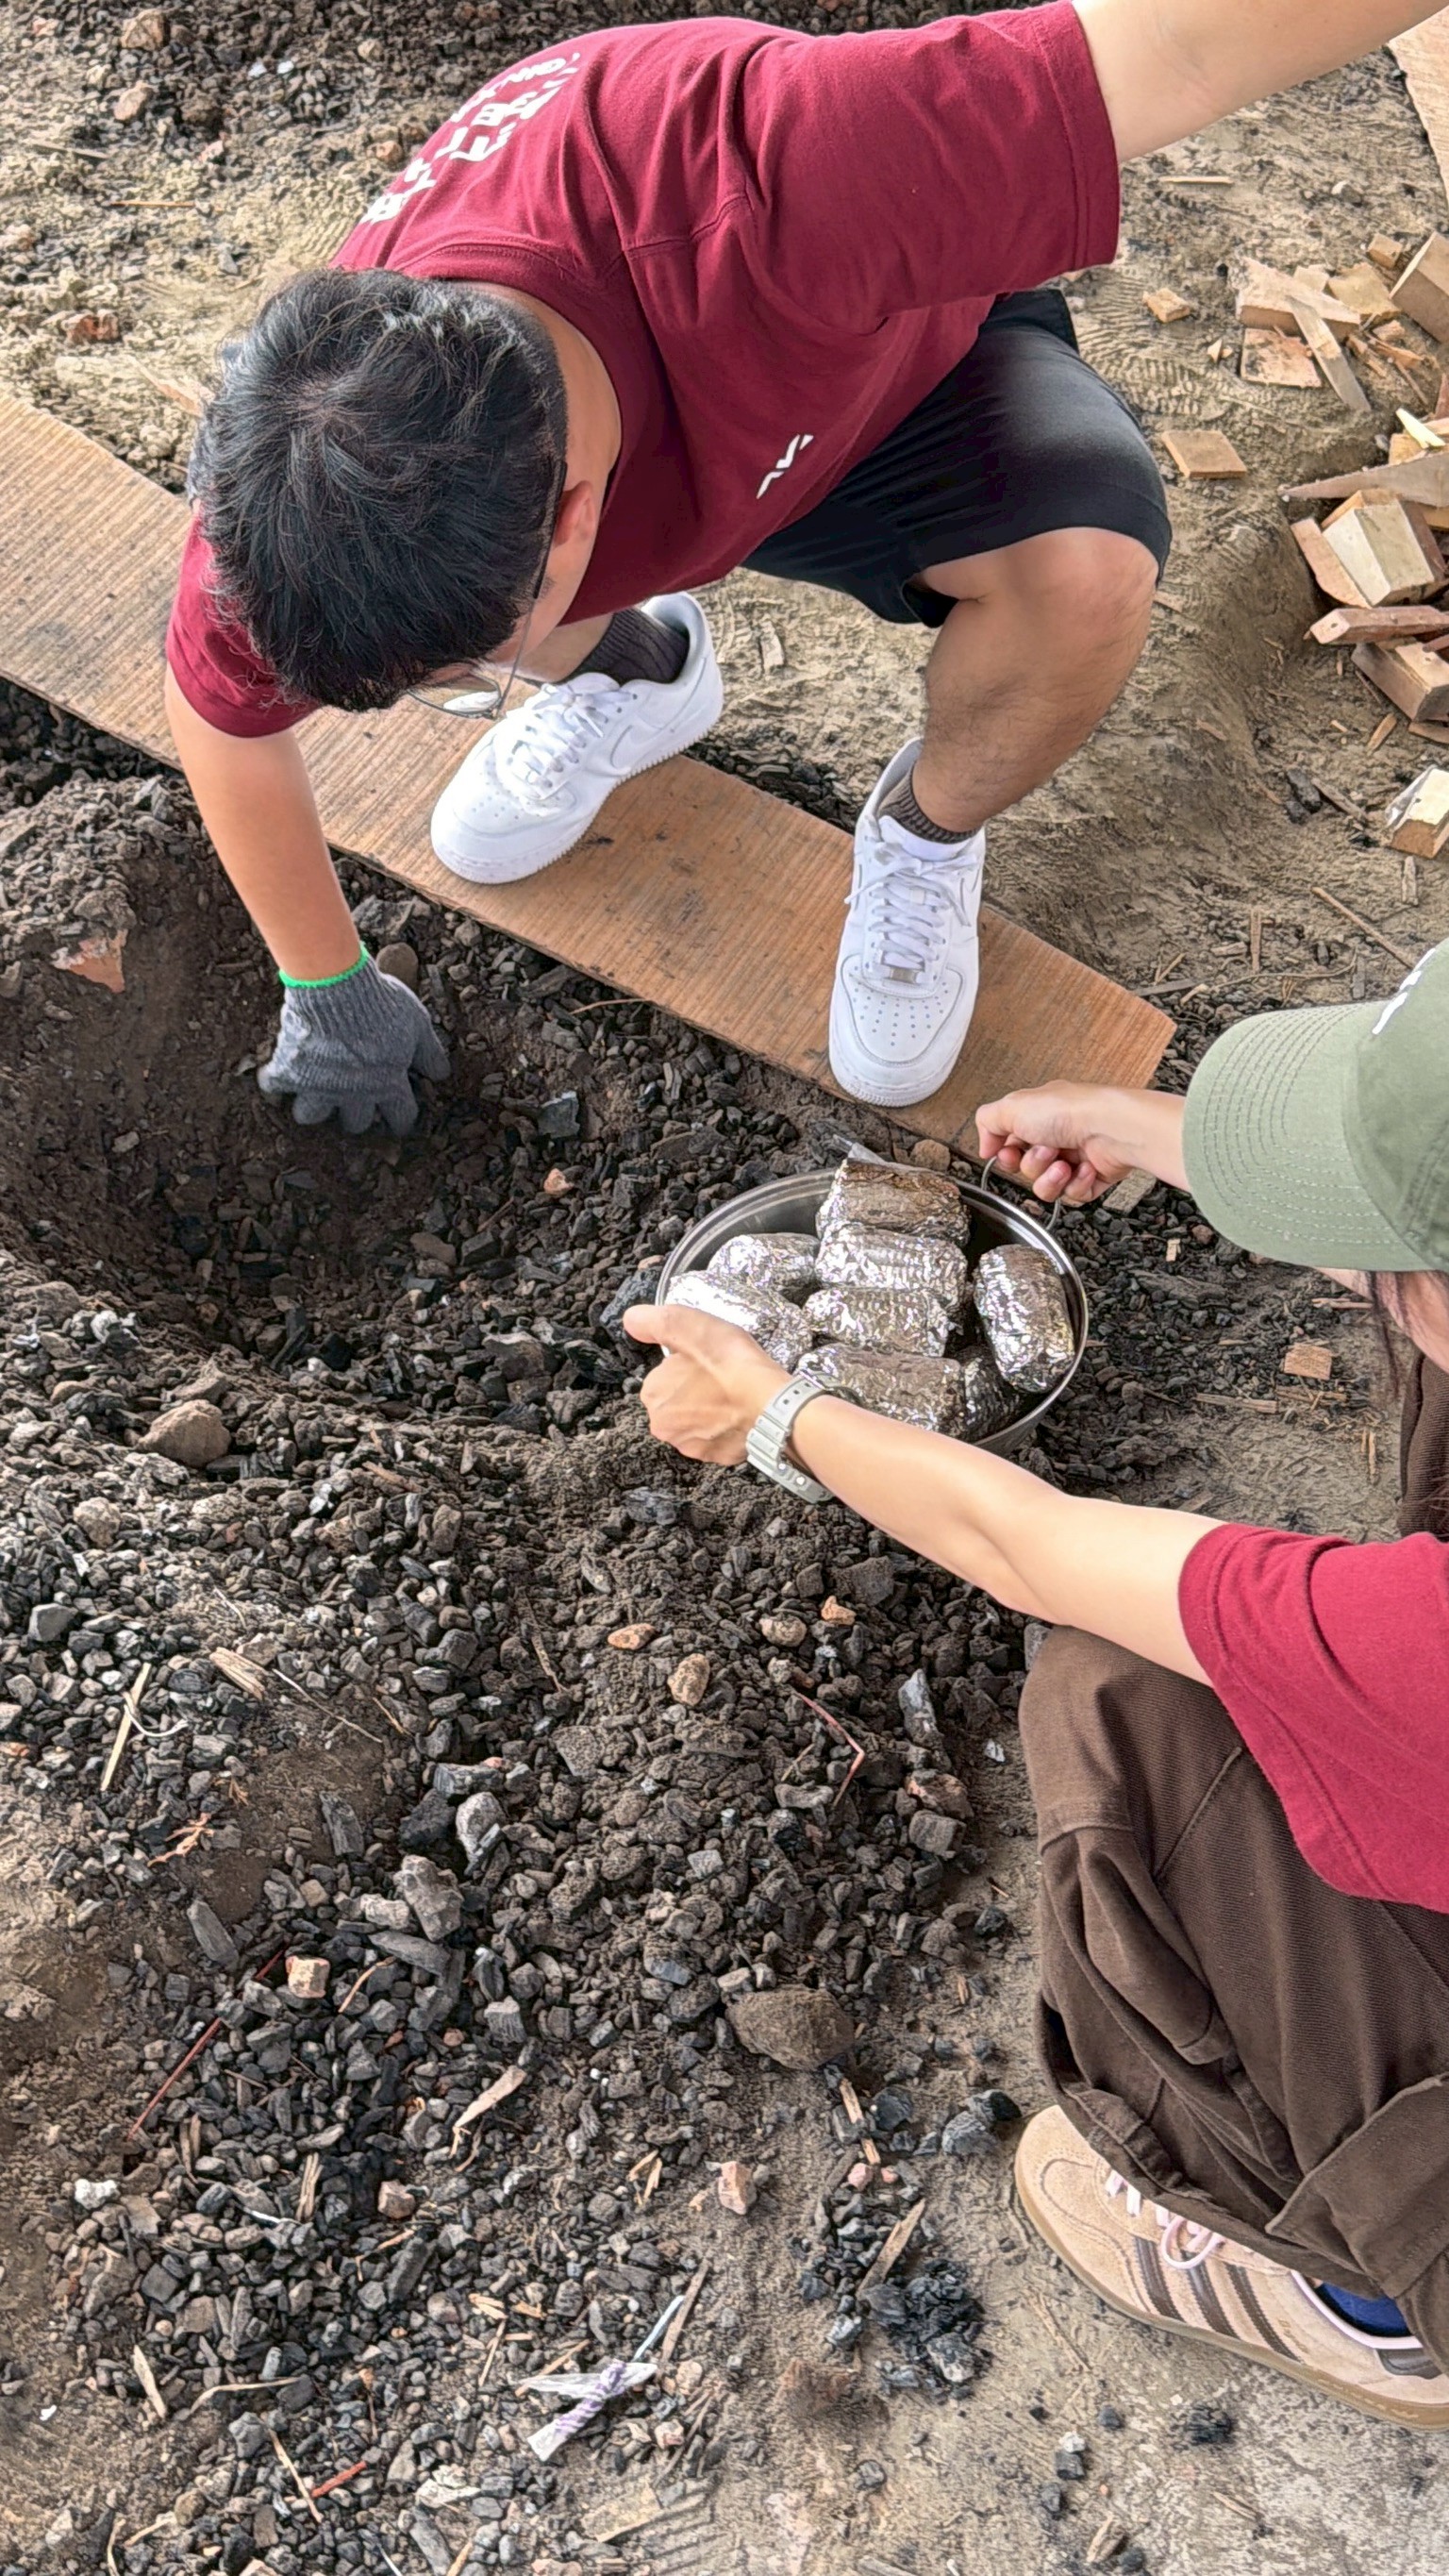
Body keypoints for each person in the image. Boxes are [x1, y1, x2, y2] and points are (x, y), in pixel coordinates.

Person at [167, 0, 1438, 1134]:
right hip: (654, 472)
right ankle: (641, 670)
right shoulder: (308, 469)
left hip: (881, 390)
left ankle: (923, 836)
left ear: (577, 528)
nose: (460, 693)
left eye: (466, 681)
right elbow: (222, 718)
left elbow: (1182, 48)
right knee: (456, 625)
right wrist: (327, 984)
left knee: (1086, 578)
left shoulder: (781, 177)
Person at [625, 938, 1449, 2423]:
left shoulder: (1417, 1648)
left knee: (1116, 1699)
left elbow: (1029, 1546)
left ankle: (1374, 2287)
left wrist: (777, 1413)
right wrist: (1153, 1129)